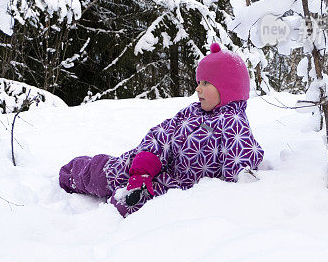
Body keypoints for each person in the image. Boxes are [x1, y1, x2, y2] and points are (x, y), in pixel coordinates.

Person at [59, 43, 263, 216]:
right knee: (107, 173)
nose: (197, 88)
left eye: (206, 83)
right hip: (147, 165)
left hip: (175, 186)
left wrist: (243, 178)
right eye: (198, 82)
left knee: (124, 204)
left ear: (228, 88)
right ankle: (71, 174)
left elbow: (241, 165)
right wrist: (145, 164)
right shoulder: (192, 111)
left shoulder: (233, 125)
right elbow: (162, 134)